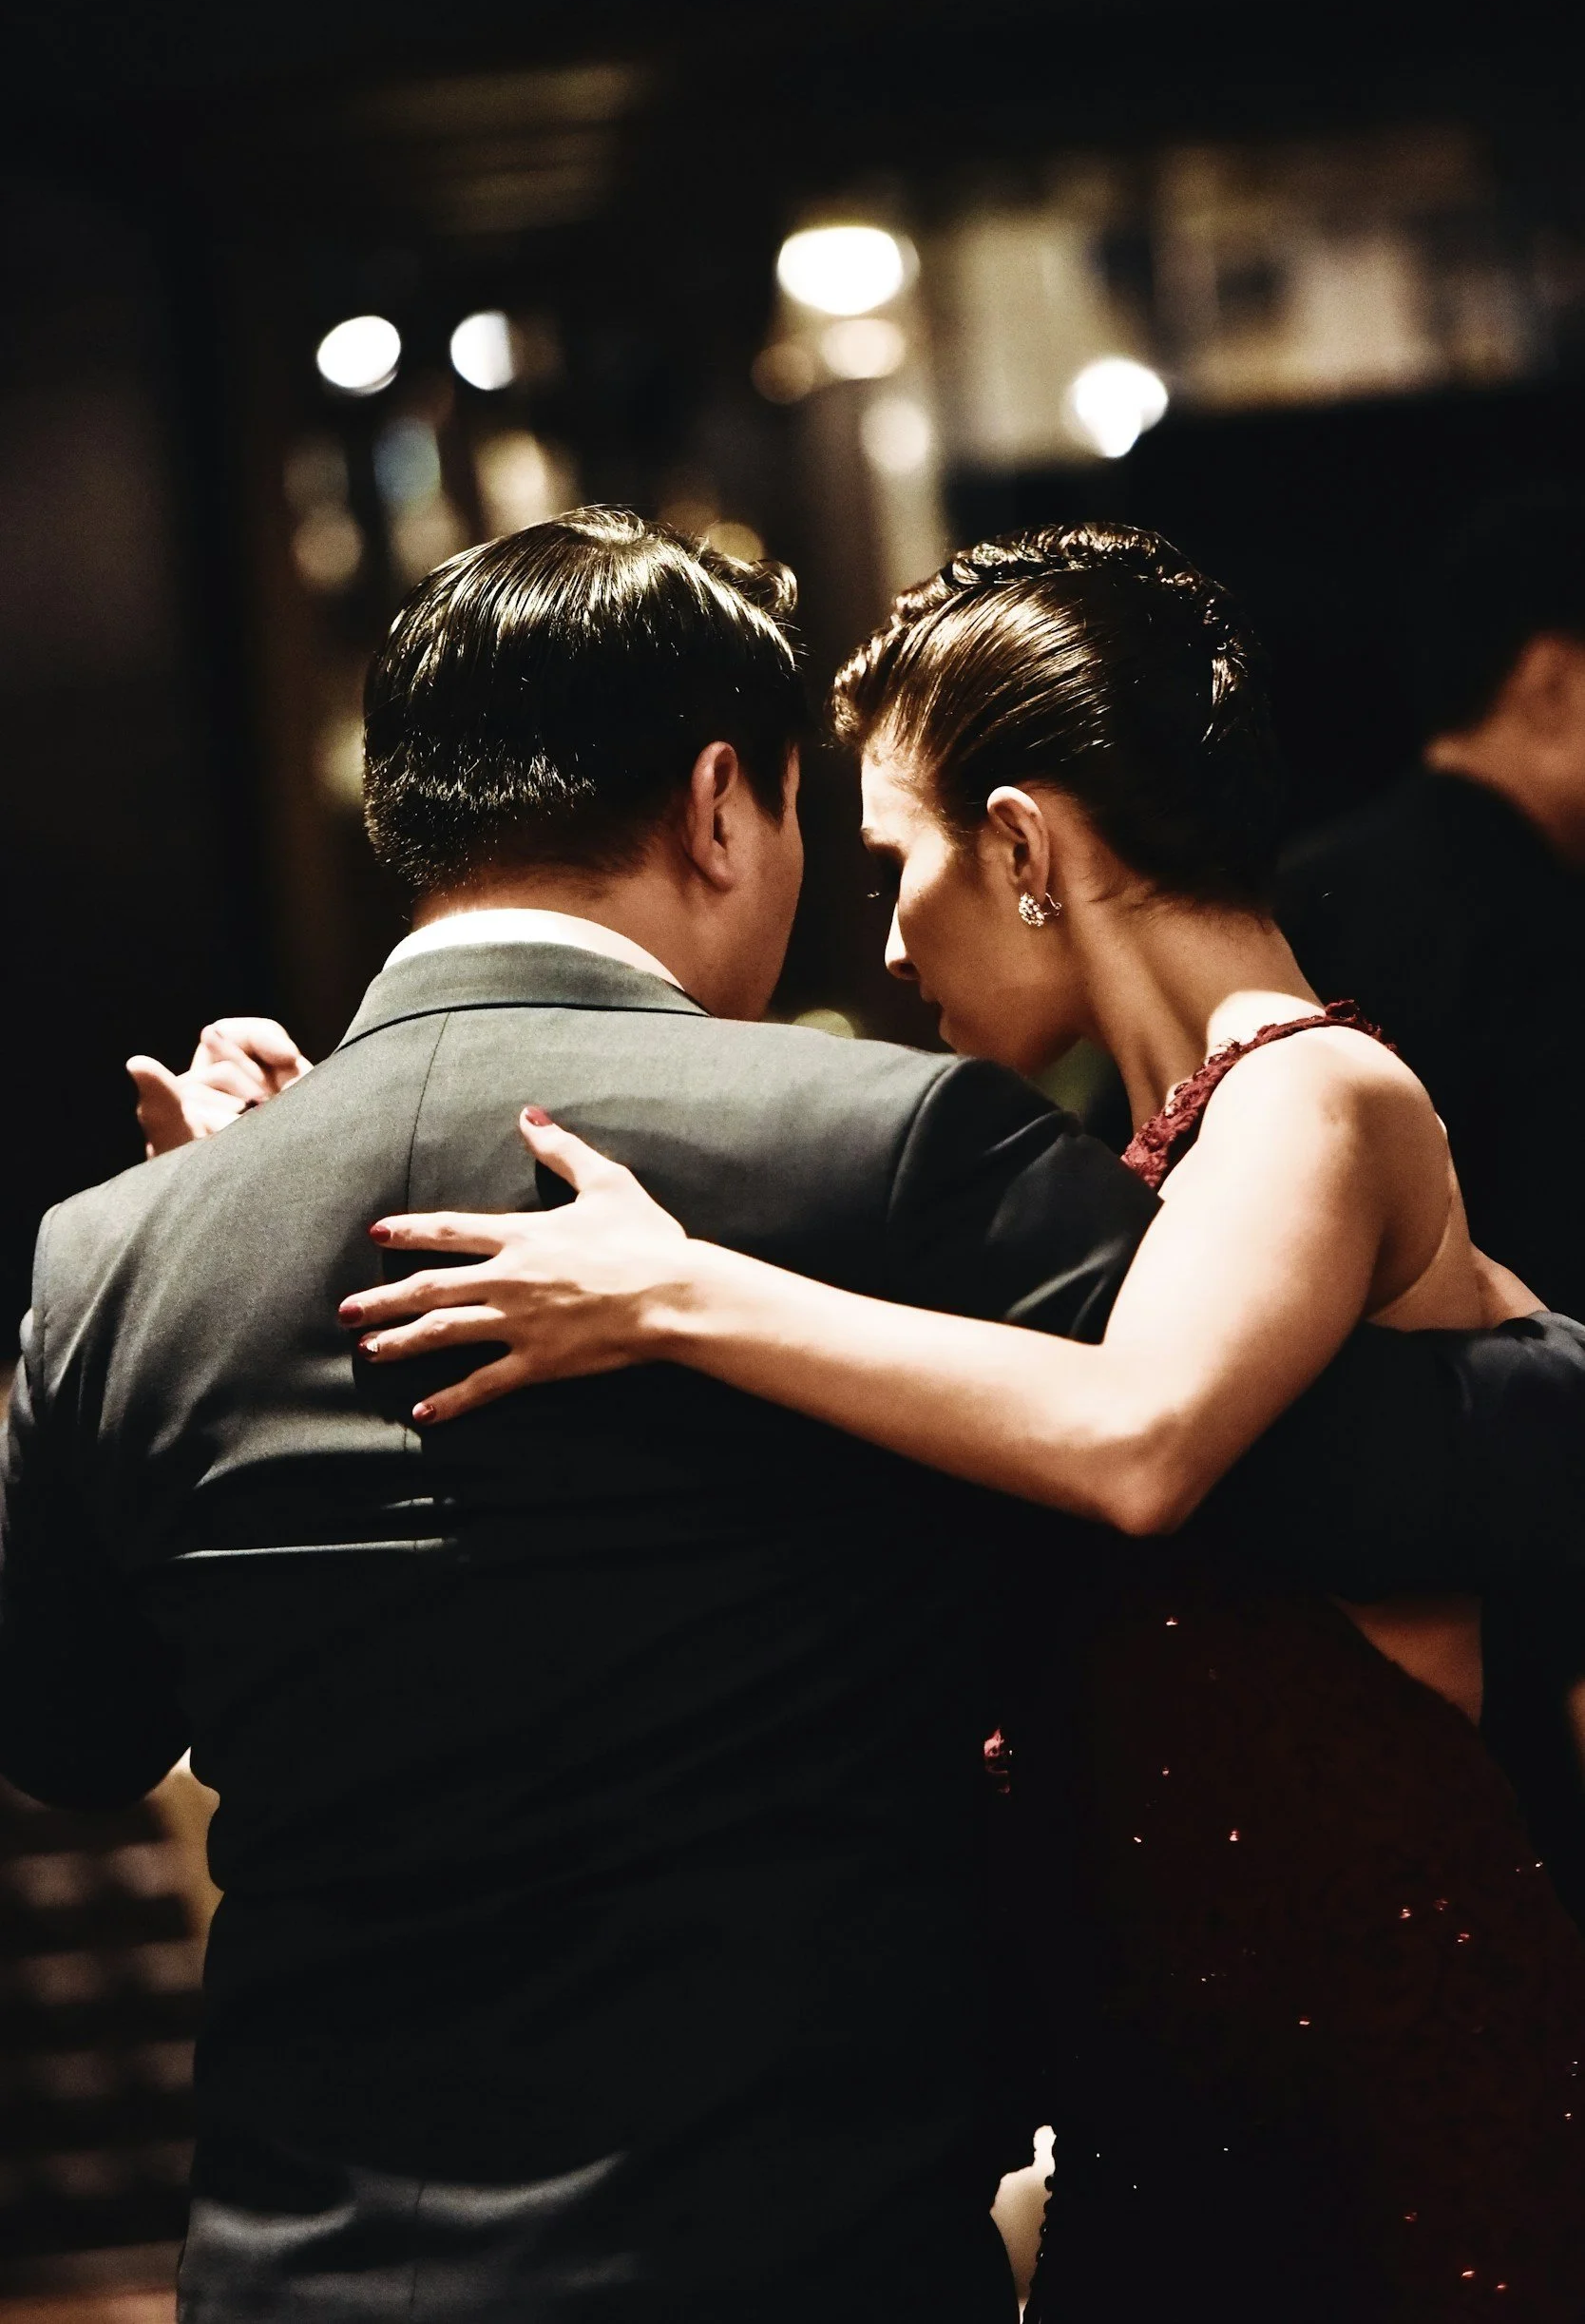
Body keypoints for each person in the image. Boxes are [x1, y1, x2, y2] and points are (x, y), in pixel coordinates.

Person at [332, 525, 1585, 2321]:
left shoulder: (1316, 1086)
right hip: (1196, 2078)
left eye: (896, 861)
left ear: (1020, 846)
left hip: (1379, 2059)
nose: (889, 935)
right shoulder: (1155, 1153)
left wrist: (675, 1290)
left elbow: (1138, 1442)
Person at [1279, 491, 1585, 1922]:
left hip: (1302, 1623)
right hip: (1524, 1613)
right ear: (1553, 677)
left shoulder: (1300, 893)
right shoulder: (1545, 930)